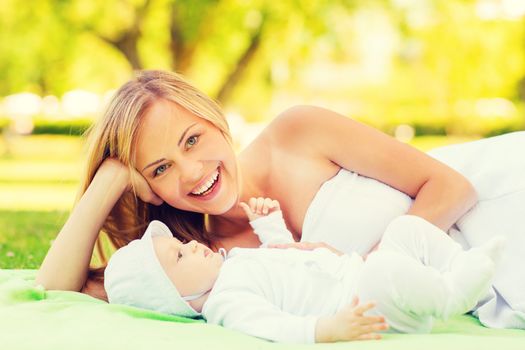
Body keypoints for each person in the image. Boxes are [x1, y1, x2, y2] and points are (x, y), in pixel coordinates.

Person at [36, 70, 525, 329]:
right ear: (146, 187)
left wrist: (372, 265)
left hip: (499, 202)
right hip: (484, 283)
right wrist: (110, 177)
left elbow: (453, 187)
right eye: (160, 168)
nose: (192, 172)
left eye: (192, 140)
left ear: (213, 117)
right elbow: (57, 289)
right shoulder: (199, 265)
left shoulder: (297, 133)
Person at [104, 198, 504, 343]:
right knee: (385, 270)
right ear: (177, 298)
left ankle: (457, 266)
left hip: (356, 271)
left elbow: (284, 256)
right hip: (362, 306)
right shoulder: (227, 302)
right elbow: (275, 326)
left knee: (403, 229)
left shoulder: (233, 264)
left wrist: (270, 224)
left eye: (181, 243)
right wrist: (327, 331)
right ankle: (451, 295)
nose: (191, 245)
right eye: (179, 257)